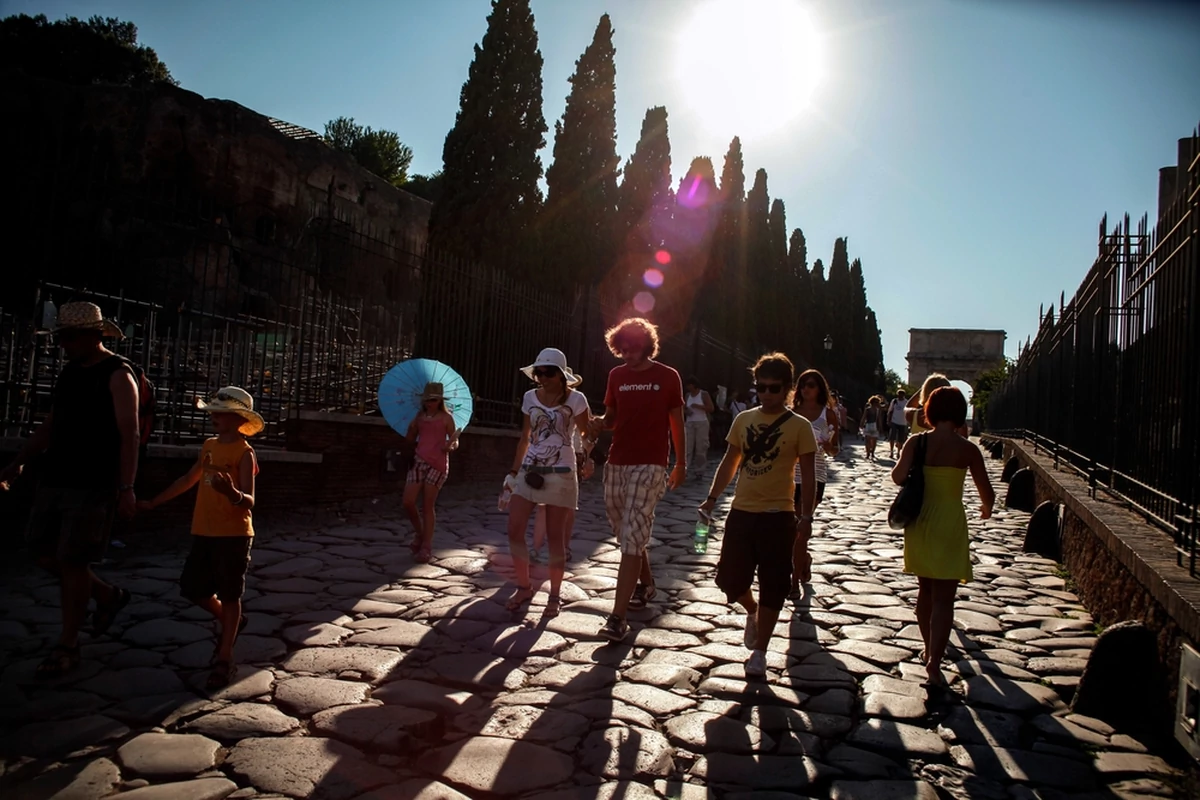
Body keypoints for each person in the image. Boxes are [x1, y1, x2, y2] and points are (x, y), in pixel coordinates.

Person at [0, 302, 139, 679]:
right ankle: (107, 596)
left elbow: (130, 434)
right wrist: (20, 459)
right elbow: (51, 422)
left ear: (93, 336)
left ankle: (68, 642)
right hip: (56, 475)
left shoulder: (118, 374)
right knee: (43, 552)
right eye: (61, 337)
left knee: (75, 561)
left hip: (94, 482)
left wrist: (127, 487)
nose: (63, 344)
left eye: (70, 337)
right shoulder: (69, 373)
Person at [138, 386, 262, 688]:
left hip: (233, 534)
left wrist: (231, 492)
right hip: (204, 530)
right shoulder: (208, 445)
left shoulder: (244, 453)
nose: (213, 417)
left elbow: (249, 500)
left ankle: (224, 656)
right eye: (213, 412)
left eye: (220, 413)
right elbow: (188, 479)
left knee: (231, 594)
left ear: (238, 418)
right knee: (193, 589)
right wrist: (154, 502)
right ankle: (231, 623)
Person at [701, 352, 816, 677]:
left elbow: (806, 476)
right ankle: (751, 610)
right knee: (729, 579)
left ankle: (760, 652)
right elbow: (729, 463)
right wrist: (711, 499)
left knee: (774, 583)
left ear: (788, 389)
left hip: (778, 515)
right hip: (741, 512)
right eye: (761, 387)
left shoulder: (800, 427)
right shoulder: (744, 420)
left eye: (774, 388)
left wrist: (805, 518)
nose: (766, 394)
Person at [590, 318, 686, 641]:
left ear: (646, 344)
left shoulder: (668, 377)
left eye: (633, 346)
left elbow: (677, 421)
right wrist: (592, 423)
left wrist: (680, 463)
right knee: (626, 530)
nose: (627, 352)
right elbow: (611, 420)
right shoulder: (616, 376)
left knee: (632, 534)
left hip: (652, 464)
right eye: (623, 347)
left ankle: (617, 618)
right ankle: (645, 583)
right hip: (617, 462)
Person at [891, 386, 995, 687]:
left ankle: (927, 649)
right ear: (961, 413)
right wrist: (986, 510)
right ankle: (935, 663)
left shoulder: (916, 441)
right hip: (950, 522)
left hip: (920, 520)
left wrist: (909, 461)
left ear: (930, 411)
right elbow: (986, 494)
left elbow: (897, 477)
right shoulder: (968, 449)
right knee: (945, 600)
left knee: (925, 591)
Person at [504, 348, 592, 618]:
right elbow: (525, 437)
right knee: (514, 529)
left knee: (556, 538)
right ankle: (523, 586)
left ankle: (554, 595)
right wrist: (512, 472)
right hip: (530, 469)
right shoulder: (530, 397)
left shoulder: (576, 400)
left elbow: (587, 434)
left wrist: (589, 458)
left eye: (548, 372)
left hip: (561, 472)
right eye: (539, 372)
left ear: (562, 375)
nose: (542, 377)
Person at [789, 369, 838, 597]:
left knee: (800, 528)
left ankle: (794, 581)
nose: (806, 389)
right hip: (789, 475)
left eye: (811, 385)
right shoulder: (791, 413)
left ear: (820, 388)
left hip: (815, 476)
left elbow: (835, 449)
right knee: (791, 529)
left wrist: (828, 446)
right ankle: (803, 560)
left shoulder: (827, 415)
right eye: (802, 385)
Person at [402, 383, 458, 563]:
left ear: (440, 400)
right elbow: (410, 439)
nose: (429, 404)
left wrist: (450, 446)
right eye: (426, 400)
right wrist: (411, 429)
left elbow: (455, 441)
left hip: (438, 463)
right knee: (408, 501)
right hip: (419, 461)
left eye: (433, 400)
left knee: (427, 505)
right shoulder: (419, 417)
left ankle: (426, 545)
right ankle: (419, 534)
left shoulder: (446, 418)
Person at [683, 376, 715, 476]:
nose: (688, 387)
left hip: (701, 422)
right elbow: (683, 408)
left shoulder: (703, 394)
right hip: (690, 422)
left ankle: (699, 470)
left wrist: (698, 406)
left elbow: (711, 408)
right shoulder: (688, 395)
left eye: (690, 385)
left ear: (694, 385)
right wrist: (686, 411)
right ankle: (685, 468)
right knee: (687, 446)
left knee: (701, 447)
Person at [887, 389, 910, 458]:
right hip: (894, 421)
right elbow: (890, 411)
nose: (900, 396)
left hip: (903, 422)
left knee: (900, 439)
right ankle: (891, 451)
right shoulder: (894, 401)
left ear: (904, 395)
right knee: (892, 437)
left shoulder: (906, 402)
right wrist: (888, 420)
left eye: (901, 395)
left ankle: (898, 452)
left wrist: (908, 422)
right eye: (899, 395)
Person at [860, 395, 884, 460]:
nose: (876, 404)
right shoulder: (867, 409)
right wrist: (861, 424)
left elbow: (879, 419)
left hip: (875, 426)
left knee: (874, 441)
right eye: (876, 402)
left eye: (877, 402)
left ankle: (872, 453)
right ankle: (868, 453)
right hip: (868, 425)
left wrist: (880, 427)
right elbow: (864, 417)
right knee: (867, 440)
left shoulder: (878, 410)